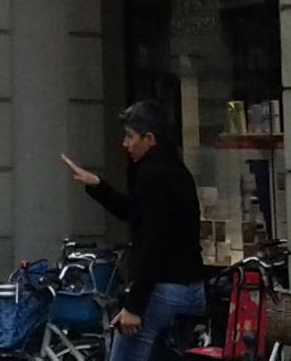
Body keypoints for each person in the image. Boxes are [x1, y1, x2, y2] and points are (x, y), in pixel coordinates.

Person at [63, 102, 205, 361]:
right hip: (192, 289)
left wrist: (134, 306)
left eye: (130, 136)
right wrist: (98, 185)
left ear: (149, 139)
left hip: (161, 291)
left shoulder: (150, 174)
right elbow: (138, 214)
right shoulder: (178, 171)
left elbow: (153, 245)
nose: (124, 144)